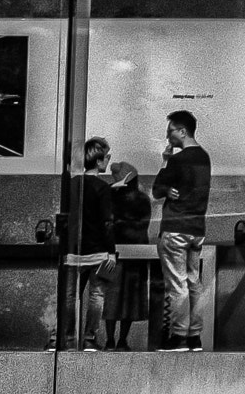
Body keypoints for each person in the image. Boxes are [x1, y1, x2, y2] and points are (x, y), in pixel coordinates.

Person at [152, 110, 211, 352]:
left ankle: (178, 336)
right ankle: (194, 336)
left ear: (182, 131)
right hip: (197, 228)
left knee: (177, 284)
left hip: (176, 227)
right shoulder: (204, 158)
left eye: (171, 131)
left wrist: (165, 162)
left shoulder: (178, 160)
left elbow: (156, 190)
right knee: (193, 281)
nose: (168, 136)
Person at [63, 136, 117, 351]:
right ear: (99, 160)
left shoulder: (72, 185)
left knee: (70, 296)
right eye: (107, 157)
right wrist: (111, 252)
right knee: (97, 295)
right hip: (98, 251)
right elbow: (107, 222)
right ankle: (89, 338)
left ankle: (67, 337)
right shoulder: (102, 188)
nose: (108, 162)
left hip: (74, 251)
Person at [104, 161, 152, 350]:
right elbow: (142, 226)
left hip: (112, 253)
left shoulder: (110, 197)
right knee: (131, 300)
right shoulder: (142, 199)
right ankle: (122, 340)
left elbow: (107, 224)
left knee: (110, 298)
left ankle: (109, 339)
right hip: (136, 253)